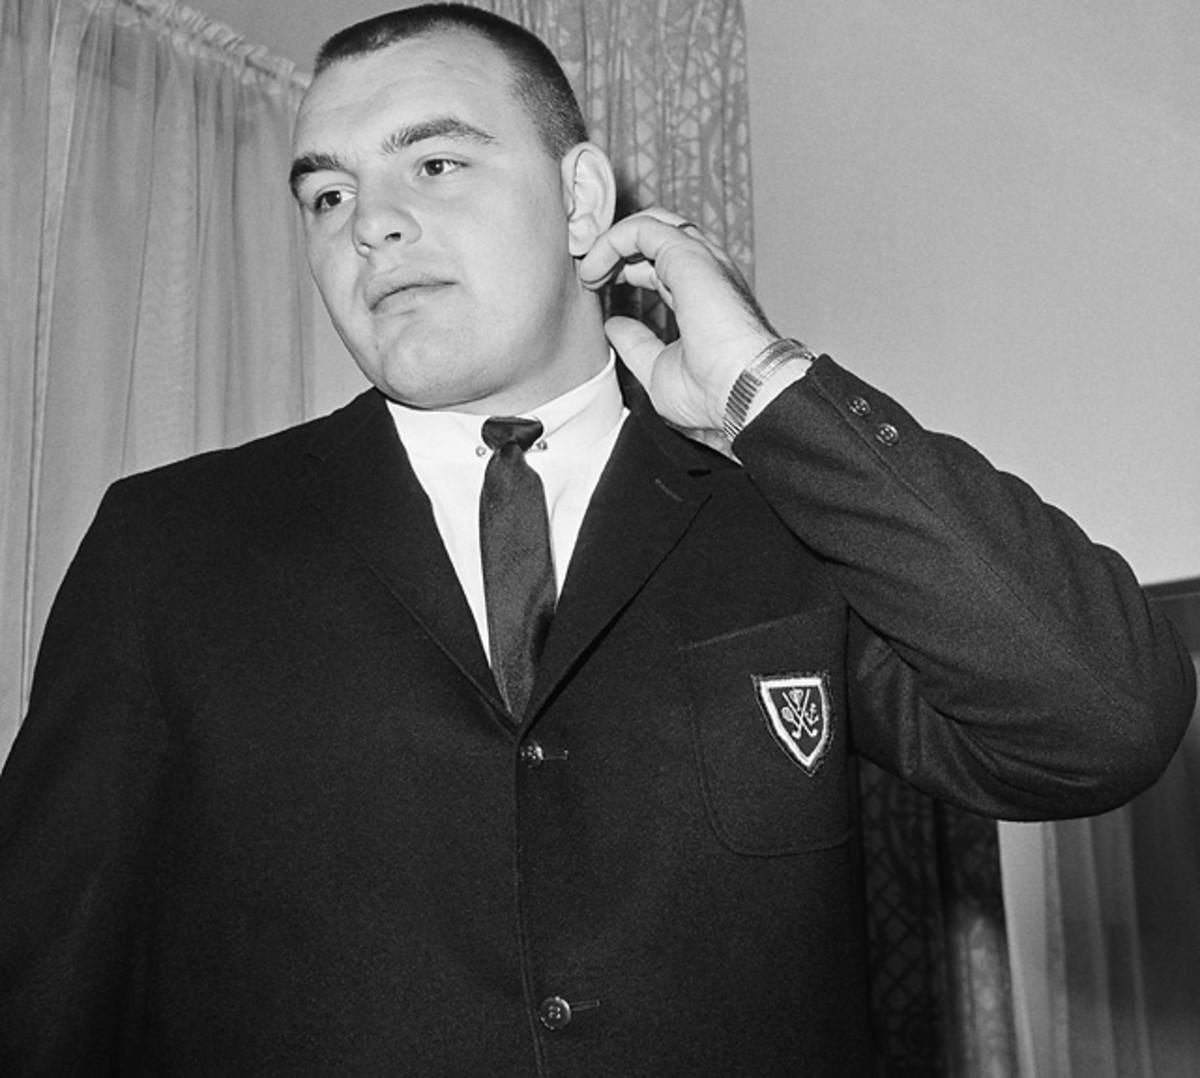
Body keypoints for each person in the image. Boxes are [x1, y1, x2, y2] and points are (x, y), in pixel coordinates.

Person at [0, 5, 1193, 1075]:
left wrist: (764, 386)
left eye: (434, 161)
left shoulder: (779, 520)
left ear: (581, 199)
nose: (371, 226)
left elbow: (1104, 720)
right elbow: (41, 983)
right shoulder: (172, 545)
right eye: (328, 194)